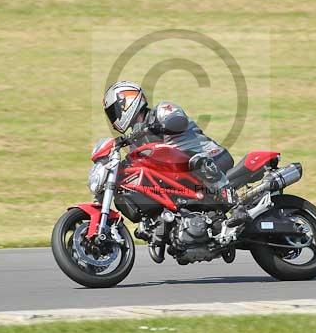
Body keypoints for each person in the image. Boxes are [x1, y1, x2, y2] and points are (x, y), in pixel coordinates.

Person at [102, 80, 249, 226]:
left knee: (196, 161)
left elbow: (179, 121)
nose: (114, 117)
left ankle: (237, 207)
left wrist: (156, 126)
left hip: (209, 155)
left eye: (114, 111)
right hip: (184, 177)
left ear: (127, 102)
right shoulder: (136, 142)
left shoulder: (160, 111)